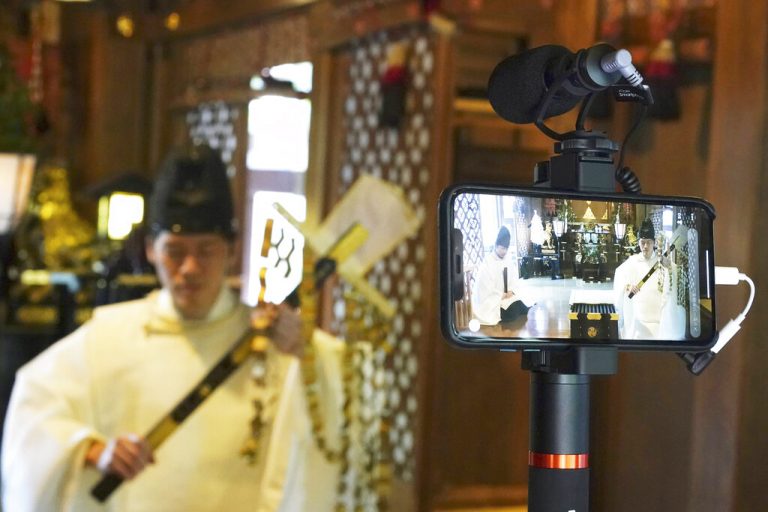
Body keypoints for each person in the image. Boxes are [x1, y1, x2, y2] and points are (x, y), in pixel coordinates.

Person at [2, 146, 344, 511]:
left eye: (207, 251)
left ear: (232, 250)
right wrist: (93, 450)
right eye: (175, 252)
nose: (190, 269)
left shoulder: (268, 338)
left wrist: (303, 353)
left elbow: (342, 395)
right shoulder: (111, 335)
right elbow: (34, 410)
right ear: (151, 249)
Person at [613, 218, 679, 339]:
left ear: (654, 243)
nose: (645, 246)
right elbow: (620, 278)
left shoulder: (661, 262)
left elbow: (675, 277)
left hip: (658, 320)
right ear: (638, 243)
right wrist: (628, 287)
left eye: (649, 242)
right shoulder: (632, 261)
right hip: (637, 321)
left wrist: (669, 267)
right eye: (642, 242)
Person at [471, 226, 531, 325]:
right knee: (512, 313)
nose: (505, 251)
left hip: (507, 296)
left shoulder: (508, 259)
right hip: (492, 300)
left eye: (506, 249)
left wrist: (511, 291)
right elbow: (484, 289)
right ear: (496, 246)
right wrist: (500, 295)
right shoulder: (487, 264)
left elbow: (513, 279)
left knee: (521, 306)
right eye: (502, 248)